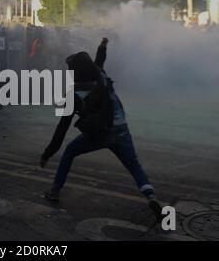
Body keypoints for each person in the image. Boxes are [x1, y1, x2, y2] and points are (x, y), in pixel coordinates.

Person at [39, 38, 163, 222]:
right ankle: (151, 196)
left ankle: (55, 190)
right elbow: (99, 61)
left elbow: (62, 129)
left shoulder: (74, 95)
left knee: (70, 151)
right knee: (134, 165)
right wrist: (102, 46)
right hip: (120, 129)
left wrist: (48, 153)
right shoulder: (102, 76)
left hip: (97, 135)